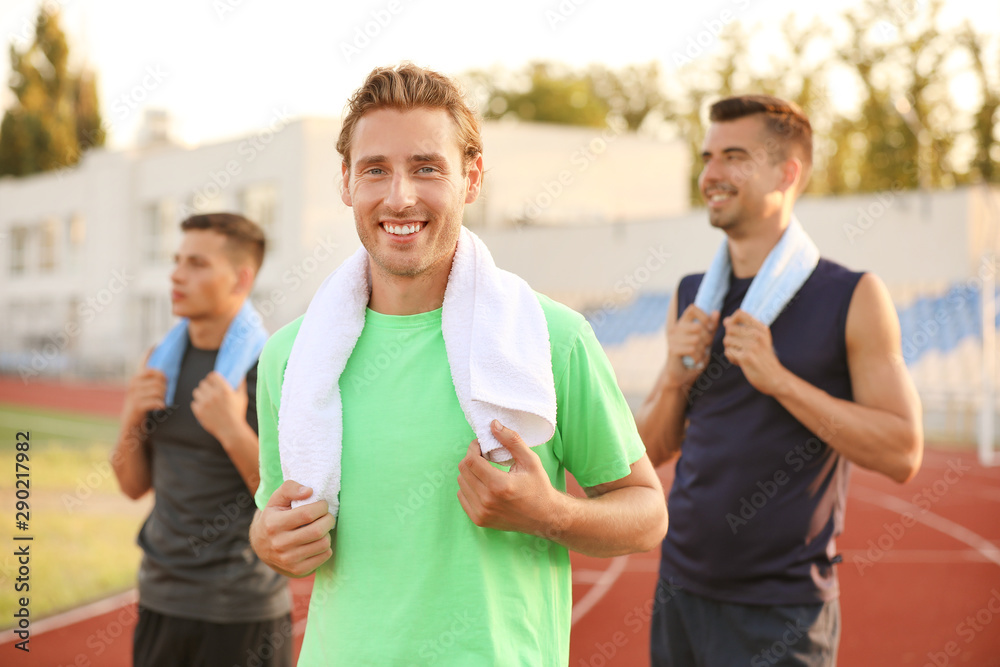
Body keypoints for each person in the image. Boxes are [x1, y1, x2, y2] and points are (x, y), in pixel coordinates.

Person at [248, 63, 668, 665]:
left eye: (426, 168)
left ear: (471, 178)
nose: (400, 197)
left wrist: (549, 512)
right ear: (346, 183)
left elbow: (646, 513)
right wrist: (266, 539)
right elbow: (273, 515)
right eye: (375, 170)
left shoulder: (551, 338)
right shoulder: (291, 356)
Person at [636, 94, 924, 666]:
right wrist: (673, 377)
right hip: (680, 591)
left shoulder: (851, 295)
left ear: (788, 172)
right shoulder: (693, 296)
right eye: (707, 156)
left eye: (734, 156)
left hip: (782, 611)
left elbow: (903, 450)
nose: (711, 174)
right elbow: (650, 448)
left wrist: (780, 380)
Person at [111, 213, 292, 667]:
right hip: (161, 597)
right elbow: (133, 487)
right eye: (176, 261)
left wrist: (231, 429)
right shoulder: (160, 360)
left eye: (196, 263)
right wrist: (131, 417)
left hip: (241, 609)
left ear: (240, 278)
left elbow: (284, 498)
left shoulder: (271, 367)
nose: (176, 274)